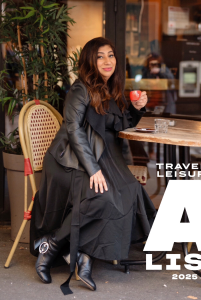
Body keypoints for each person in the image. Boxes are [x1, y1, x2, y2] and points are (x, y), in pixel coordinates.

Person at [30, 37, 156, 295]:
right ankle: (51, 246)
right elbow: (74, 130)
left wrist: (136, 108)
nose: (108, 61)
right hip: (68, 161)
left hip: (98, 157)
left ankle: (84, 256)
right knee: (101, 196)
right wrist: (93, 169)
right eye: (100, 56)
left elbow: (119, 125)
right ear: (90, 61)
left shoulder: (111, 89)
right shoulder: (81, 89)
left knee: (128, 190)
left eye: (111, 55)